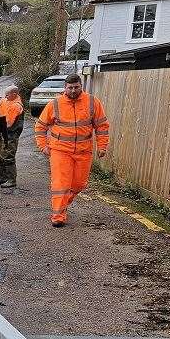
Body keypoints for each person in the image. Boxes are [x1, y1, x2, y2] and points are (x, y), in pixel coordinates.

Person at [33, 73, 109, 227]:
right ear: (64, 88)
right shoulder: (54, 104)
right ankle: (58, 216)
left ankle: (62, 205)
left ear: (81, 86)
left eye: (76, 87)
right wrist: (43, 145)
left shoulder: (93, 103)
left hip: (83, 151)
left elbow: (101, 126)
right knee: (61, 184)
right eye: (70, 88)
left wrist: (102, 146)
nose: (73, 91)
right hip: (60, 151)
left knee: (80, 184)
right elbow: (40, 126)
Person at [0, 86, 25, 188]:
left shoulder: (15, 106)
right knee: (1, 155)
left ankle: (11, 180)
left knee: (8, 156)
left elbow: (8, 123)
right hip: (7, 134)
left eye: (7, 95)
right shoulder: (10, 102)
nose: (5, 97)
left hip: (11, 135)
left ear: (14, 94)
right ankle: (2, 177)